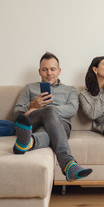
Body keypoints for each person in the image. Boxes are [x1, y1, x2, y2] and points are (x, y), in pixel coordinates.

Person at [12, 52, 93, 182]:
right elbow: (16, 114)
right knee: (48, 111)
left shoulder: (70, 89)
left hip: (61, 125)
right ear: (39, 71)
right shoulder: (29, 88)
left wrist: (50, 111)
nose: (49, 73)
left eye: (53, 69)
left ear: (59, 71)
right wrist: (32, 105)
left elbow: (72, 109)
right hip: (34, 121)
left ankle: (27, 143)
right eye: (45, 70)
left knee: (49, 118)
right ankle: (68, 164)